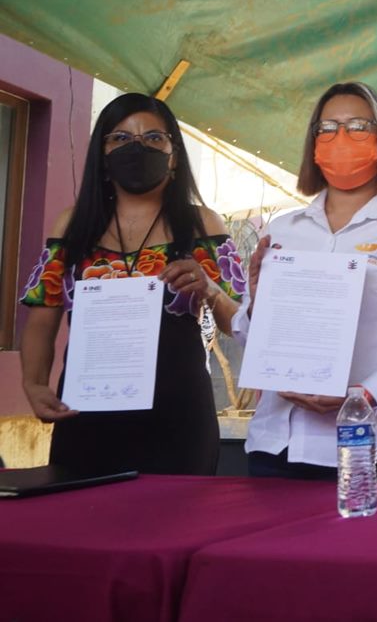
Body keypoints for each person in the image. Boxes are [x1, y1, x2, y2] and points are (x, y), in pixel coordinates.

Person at [236, 82, 377, 483]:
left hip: (364, 448)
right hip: (273, 447)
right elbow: (256, 339)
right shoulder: (284, 229)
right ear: (313, 142)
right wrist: (255, 304)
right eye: (327, 128)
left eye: (357, 126)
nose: (340, 138)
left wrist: (364, 397)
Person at [20, 92, 245, 475]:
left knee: (176, 527)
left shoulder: (201, 224)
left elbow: (236, 321)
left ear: (173, 154)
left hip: (178, 416)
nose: (138, 147)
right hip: (85, 411)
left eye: (154, 138)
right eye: (121, 138)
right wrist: (34, 384)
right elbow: (43, 319)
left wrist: (209, 288)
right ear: (102, 156)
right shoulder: (73, 225)